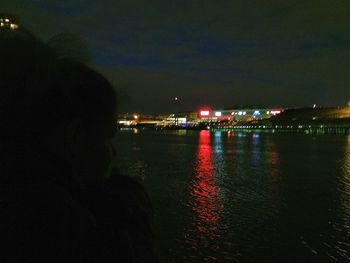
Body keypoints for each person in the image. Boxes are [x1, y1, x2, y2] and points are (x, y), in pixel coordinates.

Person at [0, 25, 157, 262]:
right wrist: (129, 221)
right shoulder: (67, 231)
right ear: (74, 136)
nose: (113, 153)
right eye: (107, 137)